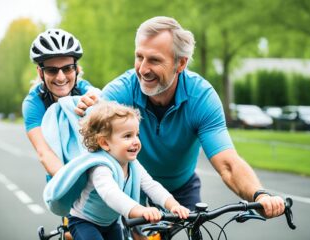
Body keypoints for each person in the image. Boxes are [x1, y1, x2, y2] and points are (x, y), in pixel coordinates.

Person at [76, 16, 285, 219]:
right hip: (131, 185)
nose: (143, 69)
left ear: (181, 63)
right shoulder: (120, 92)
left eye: (155, 60)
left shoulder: (201, 98)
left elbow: (228, 164)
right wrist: (86, 108)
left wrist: (259, 195)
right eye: (139, 57)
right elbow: (88, 139)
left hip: (182, 188)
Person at [46, 101, 189, 240]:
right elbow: (111, 194)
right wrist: (141, 210)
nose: (135, 141)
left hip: (111, 223)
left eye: (136, 134)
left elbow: (151, 186)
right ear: (104, 143)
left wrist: (173, 206)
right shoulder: (101, 167)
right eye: (127, 136)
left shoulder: (133, 164)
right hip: (84, 222)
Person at [22, 28, 98, 240]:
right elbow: (44, 153)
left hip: (99, 177)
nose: (61, 77)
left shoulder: (87, 91)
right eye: (52, 71)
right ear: (40, 73)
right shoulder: (33, 103)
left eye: (67, 68)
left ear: (77, 68)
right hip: (65, 181)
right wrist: (76, 182)